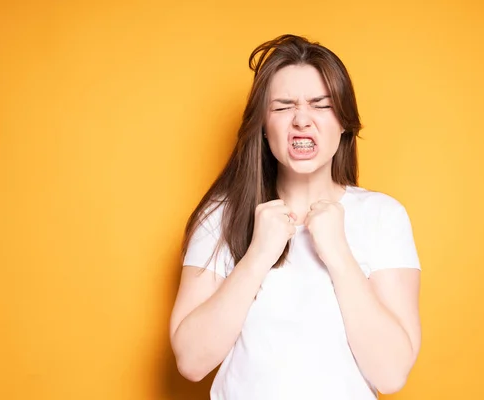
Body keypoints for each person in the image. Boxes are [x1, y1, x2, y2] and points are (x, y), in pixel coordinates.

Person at [169, 34, 421, 400]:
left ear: (344, 123)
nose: (302, 120)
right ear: (262, 124)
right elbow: (191, 361)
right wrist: (257, 255)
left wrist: (338, 253)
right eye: (284, 106)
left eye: (320, 105)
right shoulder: (220, 216)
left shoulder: (383, 217)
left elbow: (392, 373)